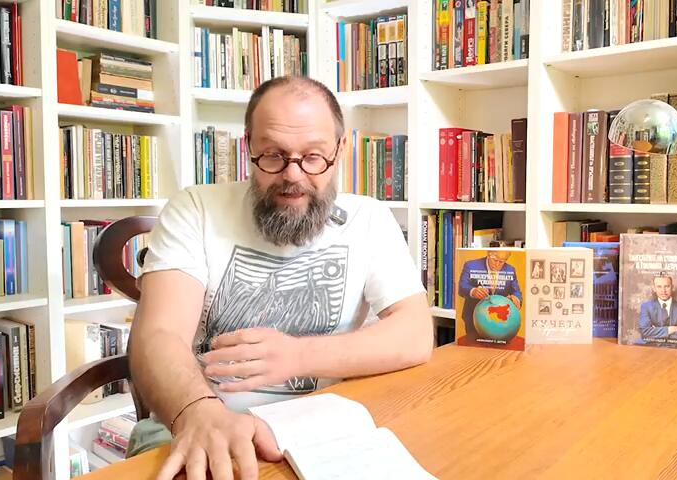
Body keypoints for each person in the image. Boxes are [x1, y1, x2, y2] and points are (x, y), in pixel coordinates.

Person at [127, 76, 434, 480]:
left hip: (318, 432)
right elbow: (158, 333)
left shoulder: (369, 219)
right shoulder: (195, 209)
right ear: (248, 145)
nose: (293, 175)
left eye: (313, 157)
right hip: (193, 425)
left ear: (340, 149)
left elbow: (415, 333)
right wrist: (198, 411)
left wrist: (297, 357)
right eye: (273, 155)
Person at [457, 250, 522, 342]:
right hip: (474, 319)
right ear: (488, 255)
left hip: (501, 323)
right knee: (473, 347)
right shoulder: (471, 265)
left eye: (502, 261)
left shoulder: (510, 270)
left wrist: (516, 298)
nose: (498, 264)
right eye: (495, 260)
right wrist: (473, 291)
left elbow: (516, 292)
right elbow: (461, 287)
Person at [638, 274, 677, 342]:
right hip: (652, 346)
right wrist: (669, 330)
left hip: (676, 347)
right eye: (659, 287)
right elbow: (644, 331)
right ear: (654, 288)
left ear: (672, 287)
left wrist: (655, 333)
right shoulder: (646, 307)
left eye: (667, 286)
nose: (663, 290)